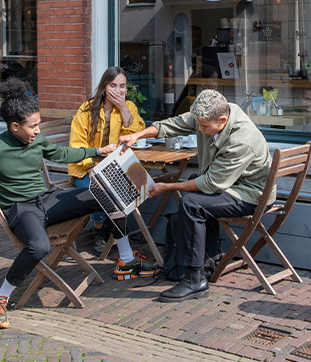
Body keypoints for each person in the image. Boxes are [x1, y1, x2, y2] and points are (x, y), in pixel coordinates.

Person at [0, 78, 154, 329]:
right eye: (34, 126)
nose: (38, 131)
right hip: (21, 208)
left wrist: (97, 151)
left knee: (110, 194)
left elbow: (60, 154)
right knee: (39, 246)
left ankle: (125, 260)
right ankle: (0, 298)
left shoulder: (36, 140)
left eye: (39, 124)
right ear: (15, 126)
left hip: (48, 200)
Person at [118, 89, 275, 302]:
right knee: (192, 197)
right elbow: (172, 125)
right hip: (231, 184)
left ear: (222, 119)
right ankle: (208, 259)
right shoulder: (214, 114)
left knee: (192, 204)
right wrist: (137, 135)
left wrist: (168, 187)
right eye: (198, 124)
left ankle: (195, 280)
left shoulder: (241, 140)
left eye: (204, 127)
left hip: (249, 195)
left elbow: (211, 184)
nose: (199, 129)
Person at [68, 66, 152, 280]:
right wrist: (93, 164)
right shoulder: (87, 110)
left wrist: (124, 110)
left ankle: (118, 244)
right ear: (104, 87)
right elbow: (76, 147)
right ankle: (101, 229)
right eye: (113, 85)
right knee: (106, 193)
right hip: (87, 169)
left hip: (116, 168)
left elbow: (136, 140)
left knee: (140, 186)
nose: (118, 90)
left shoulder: (129, 106)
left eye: (122, 86)